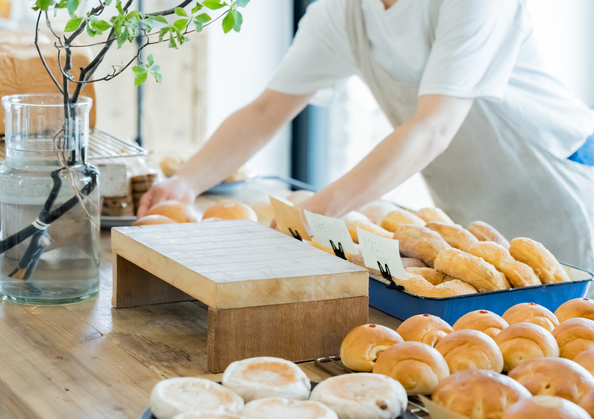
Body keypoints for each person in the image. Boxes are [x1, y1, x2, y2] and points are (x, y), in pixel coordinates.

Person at [138, 0, 594, 272]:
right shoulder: (344, 11)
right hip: (478, 203)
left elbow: (433, 126)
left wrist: (316, 212)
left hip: (562, 184)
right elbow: (266, 110)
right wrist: (186, 183)